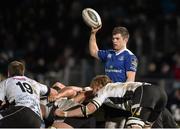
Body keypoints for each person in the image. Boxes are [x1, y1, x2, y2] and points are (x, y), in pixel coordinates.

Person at [54, 75, 168, 128]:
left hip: (145, 92)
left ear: (98, 85)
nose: (92, 91)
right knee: (147, 127)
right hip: (160, 93)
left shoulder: (104, 90)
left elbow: (88, 110)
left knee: (134, 127)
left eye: (92, 87)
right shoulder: (116, 87)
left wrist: (65, 113)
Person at [89, 26, 138, 128]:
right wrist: (93, 34)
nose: (114, 41)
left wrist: (121, 98)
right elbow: (93, 52)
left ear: (125, 39)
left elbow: (130, 80)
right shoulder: (109, 54)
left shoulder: (129, 56)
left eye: (117, 39)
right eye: (113, 38)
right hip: (106, 98)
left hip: (118, 100)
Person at [0, 60, 57, 128]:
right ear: (23, 72)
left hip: (21, 111)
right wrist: (51, 96)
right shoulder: (34, 82)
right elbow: (53, 92)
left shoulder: (6, 82)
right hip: (37, 120)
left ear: (8, 73)